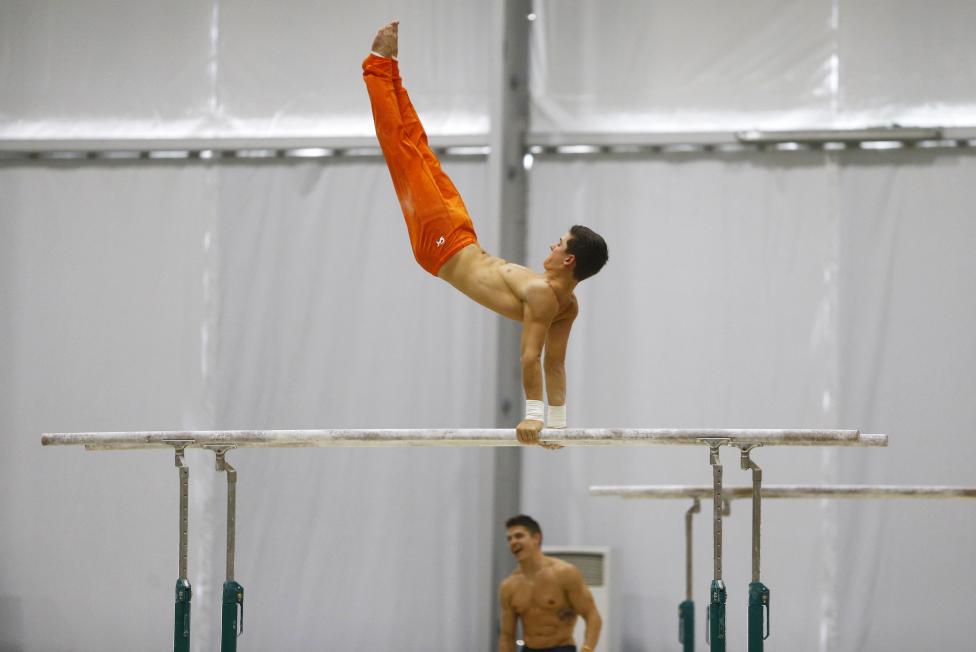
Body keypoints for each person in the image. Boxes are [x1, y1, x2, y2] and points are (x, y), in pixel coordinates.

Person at [363, 22, 608, 447]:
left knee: (403, 151)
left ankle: (377, 67)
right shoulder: (565, 303)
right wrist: (559, 427)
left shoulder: (545, 297)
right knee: (418, 148)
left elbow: (534, 358)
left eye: (559, 244)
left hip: (442, 244)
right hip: (459, 236)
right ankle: (392, 71)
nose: (551, 247)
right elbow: (554, 367)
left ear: (569, 260)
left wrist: (536, 417)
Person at [499, 515, 602, 652]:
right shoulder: (509, 586)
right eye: (509, 539)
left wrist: (587, 649)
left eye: (519, 536)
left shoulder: (564, 573)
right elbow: (507, 636)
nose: (513, 542)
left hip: (561, 647)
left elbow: (592, 615)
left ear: (536, 538)